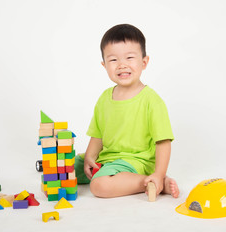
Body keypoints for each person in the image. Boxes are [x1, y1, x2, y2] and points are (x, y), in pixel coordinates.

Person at [75, 24, 179, 199]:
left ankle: (149, 181)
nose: (122, 65)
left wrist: (159, 174)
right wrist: (90, 158)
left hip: (135, 161)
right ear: (104, 65)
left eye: (129, 58)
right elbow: (97, 135)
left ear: (144, 62)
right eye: (113, 60)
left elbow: (163, 142)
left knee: (99, 186)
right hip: (108, 158)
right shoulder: (104, 98)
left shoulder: (151, 100)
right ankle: (121, 176)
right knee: (67, 168)